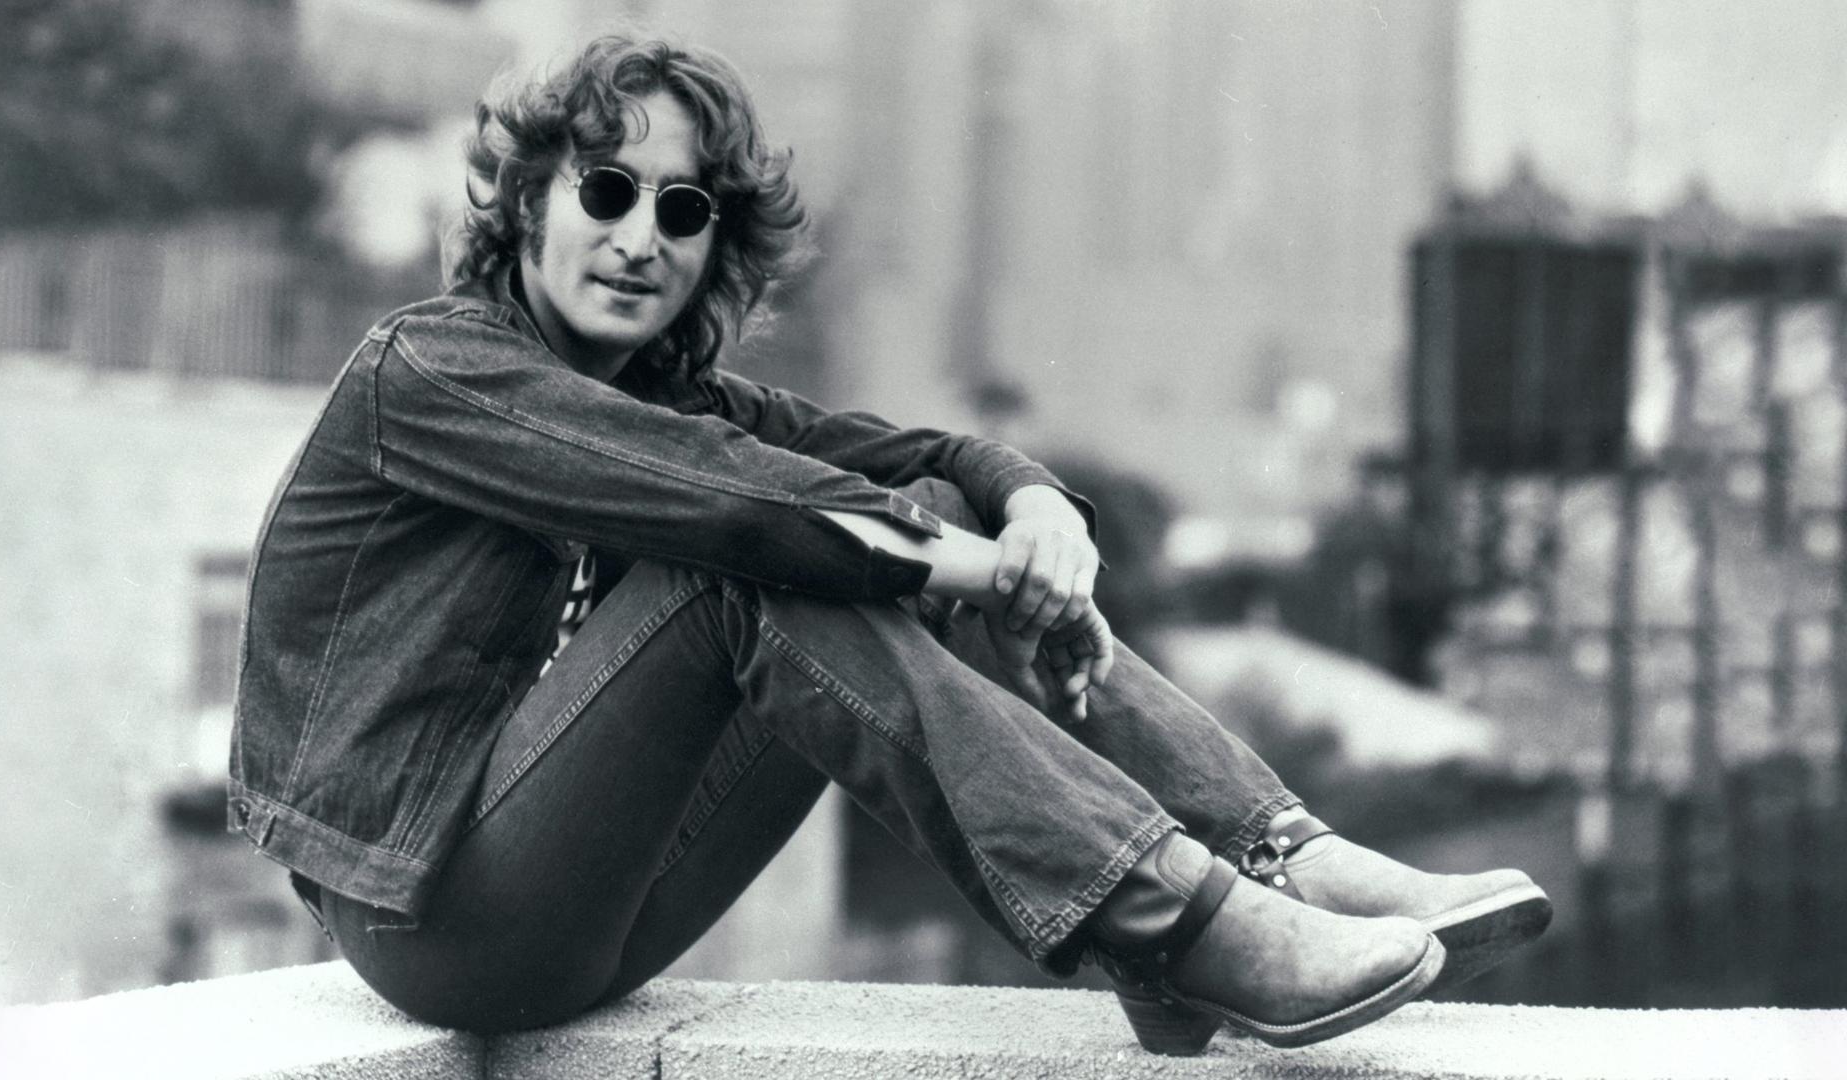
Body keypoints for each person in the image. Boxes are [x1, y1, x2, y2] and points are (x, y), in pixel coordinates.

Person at [228, 32, 1549, 1054]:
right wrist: (982, 572)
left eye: (682, 213)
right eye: (609, 191)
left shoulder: (670, 396)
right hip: (433, 918)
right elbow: (746, 508)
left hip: (605, 905)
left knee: (910, 520)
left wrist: (1034, 514)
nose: (640, 239)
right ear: (527, 206)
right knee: (752, 566)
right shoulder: (431, 370)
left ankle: (1270, 856)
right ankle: (1176, 921)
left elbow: (927, 459)